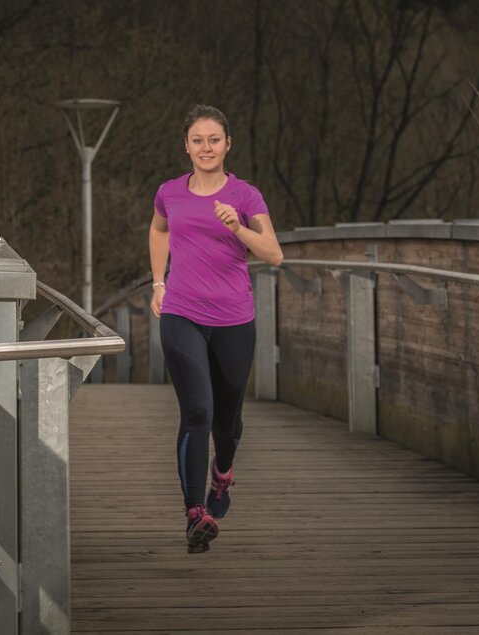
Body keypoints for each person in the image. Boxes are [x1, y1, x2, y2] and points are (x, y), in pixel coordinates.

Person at [149, 104, 283, 554]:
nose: (205, 147)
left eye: (214, 140)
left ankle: (221, 476)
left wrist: (239, 229)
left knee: (227, 425)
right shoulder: (169, 192)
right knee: (198, 412)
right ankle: (194, 514)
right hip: (181, 314)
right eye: (197, 140)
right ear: (185, 146)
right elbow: (159, 230)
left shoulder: (247, 197)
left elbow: (274, 254)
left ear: (228, 144)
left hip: (233, 321)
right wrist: (158, 282)